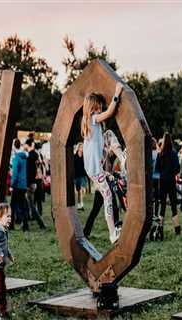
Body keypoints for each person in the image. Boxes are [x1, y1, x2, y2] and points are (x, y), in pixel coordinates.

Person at [81, 83, 124, 244]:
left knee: (109, 134)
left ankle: (122, 157)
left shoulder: (92, 125)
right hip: (94, 169)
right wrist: (117, 93)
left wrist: (106, 173)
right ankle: (112, 233)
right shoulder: (92, 119)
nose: (100, 109)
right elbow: (110, 112)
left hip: (94, 167)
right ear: (93, 107)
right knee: (108, 196)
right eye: (98, 107)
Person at [155, 132, 181, 240]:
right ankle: (177, 228)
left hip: (162, 181)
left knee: (163, 206)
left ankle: (160, 228)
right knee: (174, 204)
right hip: (171, 181)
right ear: (170, 141)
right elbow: (177, 168)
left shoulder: (160, 154)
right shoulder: (174, 153)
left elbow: (156, 169)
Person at [24, 139, 46, 229]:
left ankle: (41, 223)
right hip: (33, 182)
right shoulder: (34, 155)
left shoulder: (30, 156)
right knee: (30, 203)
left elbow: (30, 171)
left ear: (27, 145)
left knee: (31, 205)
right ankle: (26, 222)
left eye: (25, 145)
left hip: (30, 183)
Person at [10, 139, 29, 231]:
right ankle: (25, 225)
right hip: (24, 185)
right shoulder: (25, 158)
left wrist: (12, 185)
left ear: (14, 146)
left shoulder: (16, 158)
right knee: (23, 206)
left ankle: (11, 225)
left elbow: (15, 174)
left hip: (17, 186)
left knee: (12, 206)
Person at [74, 142, 87, 211]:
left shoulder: (85, 156)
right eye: (81, 147)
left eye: (83, 147)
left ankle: (81, 204)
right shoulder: (74, 156)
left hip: (82, 176)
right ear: (78, 148)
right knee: (77, 191)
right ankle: (78, 205)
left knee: (82, 190)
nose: (82, 148)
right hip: (76, 176)